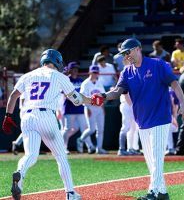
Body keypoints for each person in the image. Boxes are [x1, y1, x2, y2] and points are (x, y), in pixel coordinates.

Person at [92, 38, 184, 199]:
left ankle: (153, 191)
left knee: (157, 158)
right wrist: (102, 96)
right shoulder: (127, 72)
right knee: (151, 160)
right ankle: (162, 192)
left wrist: (183, 105)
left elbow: (175, 84)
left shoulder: (157, 64)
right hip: (142, 120)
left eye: (127, 52)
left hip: (160, 117)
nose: (126, 55)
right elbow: (116, 92)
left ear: (137, 49)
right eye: (123, 53)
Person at [1, 49, 102, 200]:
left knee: (30, 155)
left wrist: (8, 116)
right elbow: (76, 99)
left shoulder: (28, 75)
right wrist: (92, 100)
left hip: (27, 116)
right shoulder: (59, 76)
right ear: (56, 61)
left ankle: (20, 175)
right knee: (61, 156)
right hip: (46, 115)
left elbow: (14, 95)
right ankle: (70, 193)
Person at [61, 62, 94, 154]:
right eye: (73, 68)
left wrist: (81, 101)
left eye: (77, 68)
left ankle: (90, 147)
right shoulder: (66, 80)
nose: (75, 70)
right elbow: (65, 94)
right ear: (69, 70)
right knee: (67, 129)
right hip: (69, 109)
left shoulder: (80, 80)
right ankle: (63, 149)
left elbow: (83, 94)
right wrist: (76, 101)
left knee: (84, 128)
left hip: (80, 109)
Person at [78, 65, 108, 155]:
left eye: (96, 72)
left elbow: (103, 96)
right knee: (91, 129)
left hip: (99, 108)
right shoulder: (85, 83)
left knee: (101, 129)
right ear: (90, 72)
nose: (95, 74)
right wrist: (87, 108)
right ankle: (80, 140)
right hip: (90, 107)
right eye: (93, 72)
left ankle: (99, 148)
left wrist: (103, 108)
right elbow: (82, 97)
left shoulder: (99, 83)